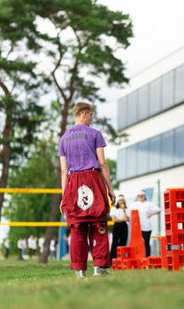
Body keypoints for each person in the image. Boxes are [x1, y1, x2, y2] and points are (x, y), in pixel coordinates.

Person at [59, 102, 115, 278]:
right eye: (91, 114)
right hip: (92, 179)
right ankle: (99, 267)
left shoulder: (63, 139)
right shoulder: (95, 134)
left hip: (73, 182)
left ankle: (80, 270)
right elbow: (102, 163)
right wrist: (110, 189)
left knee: (77, 227)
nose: (92, 118)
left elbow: (63, 170)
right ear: (84, 113)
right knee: (98, 223)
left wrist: (64, 196)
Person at [129, 191, 160, 257]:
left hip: (147, 227)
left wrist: (151, 214)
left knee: (146, 243)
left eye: (142, 196)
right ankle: (139, 257)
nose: (140, 197)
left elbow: (158, 210)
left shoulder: (149, 204)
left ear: (145, 196)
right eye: (139, 196)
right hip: (137, 227)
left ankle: (147, 257)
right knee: (138, 243)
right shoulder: (134, 204)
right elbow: (129, 212)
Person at [110, 194, 129, 260]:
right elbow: (114, 219)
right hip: (117, 226)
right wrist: (122, 219)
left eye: (123, 200)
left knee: (123, 242)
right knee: (115, 242)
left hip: (124, 226)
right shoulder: (114, 209)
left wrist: (123, 210)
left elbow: (126, 219)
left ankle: (122, 258)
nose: (122, 201)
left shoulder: (126, 209)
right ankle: (112, 258)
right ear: (118, 201)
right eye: (120, 200)